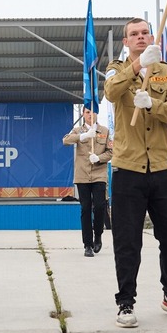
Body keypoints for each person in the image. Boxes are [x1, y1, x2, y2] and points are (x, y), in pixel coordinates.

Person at [103, 18, 167, 328]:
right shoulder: (116, 68)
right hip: (128, 167)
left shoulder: (165, 71)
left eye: (145, 32)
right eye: (134, 34)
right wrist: (135, 69)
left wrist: (151, 106)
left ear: (151, 37)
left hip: (162, 166)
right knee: (128, 240)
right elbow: (110, 92)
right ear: (126, 42)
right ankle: (126, 302)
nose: (140, 38)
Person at [62, 108, 113, 257]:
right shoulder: (78, 130)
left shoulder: (105, 131)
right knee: (85, 209)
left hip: (99, 174)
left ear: (97, 113)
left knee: (99, 206)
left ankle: (98, 234)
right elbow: (65, 140)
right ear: (83, 115)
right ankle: (88, 245)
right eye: (87, 112)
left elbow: (111, 151)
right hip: (82, 175)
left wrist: (99, 158)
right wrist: (82, 136)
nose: (90, 115)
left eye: (93, 112)